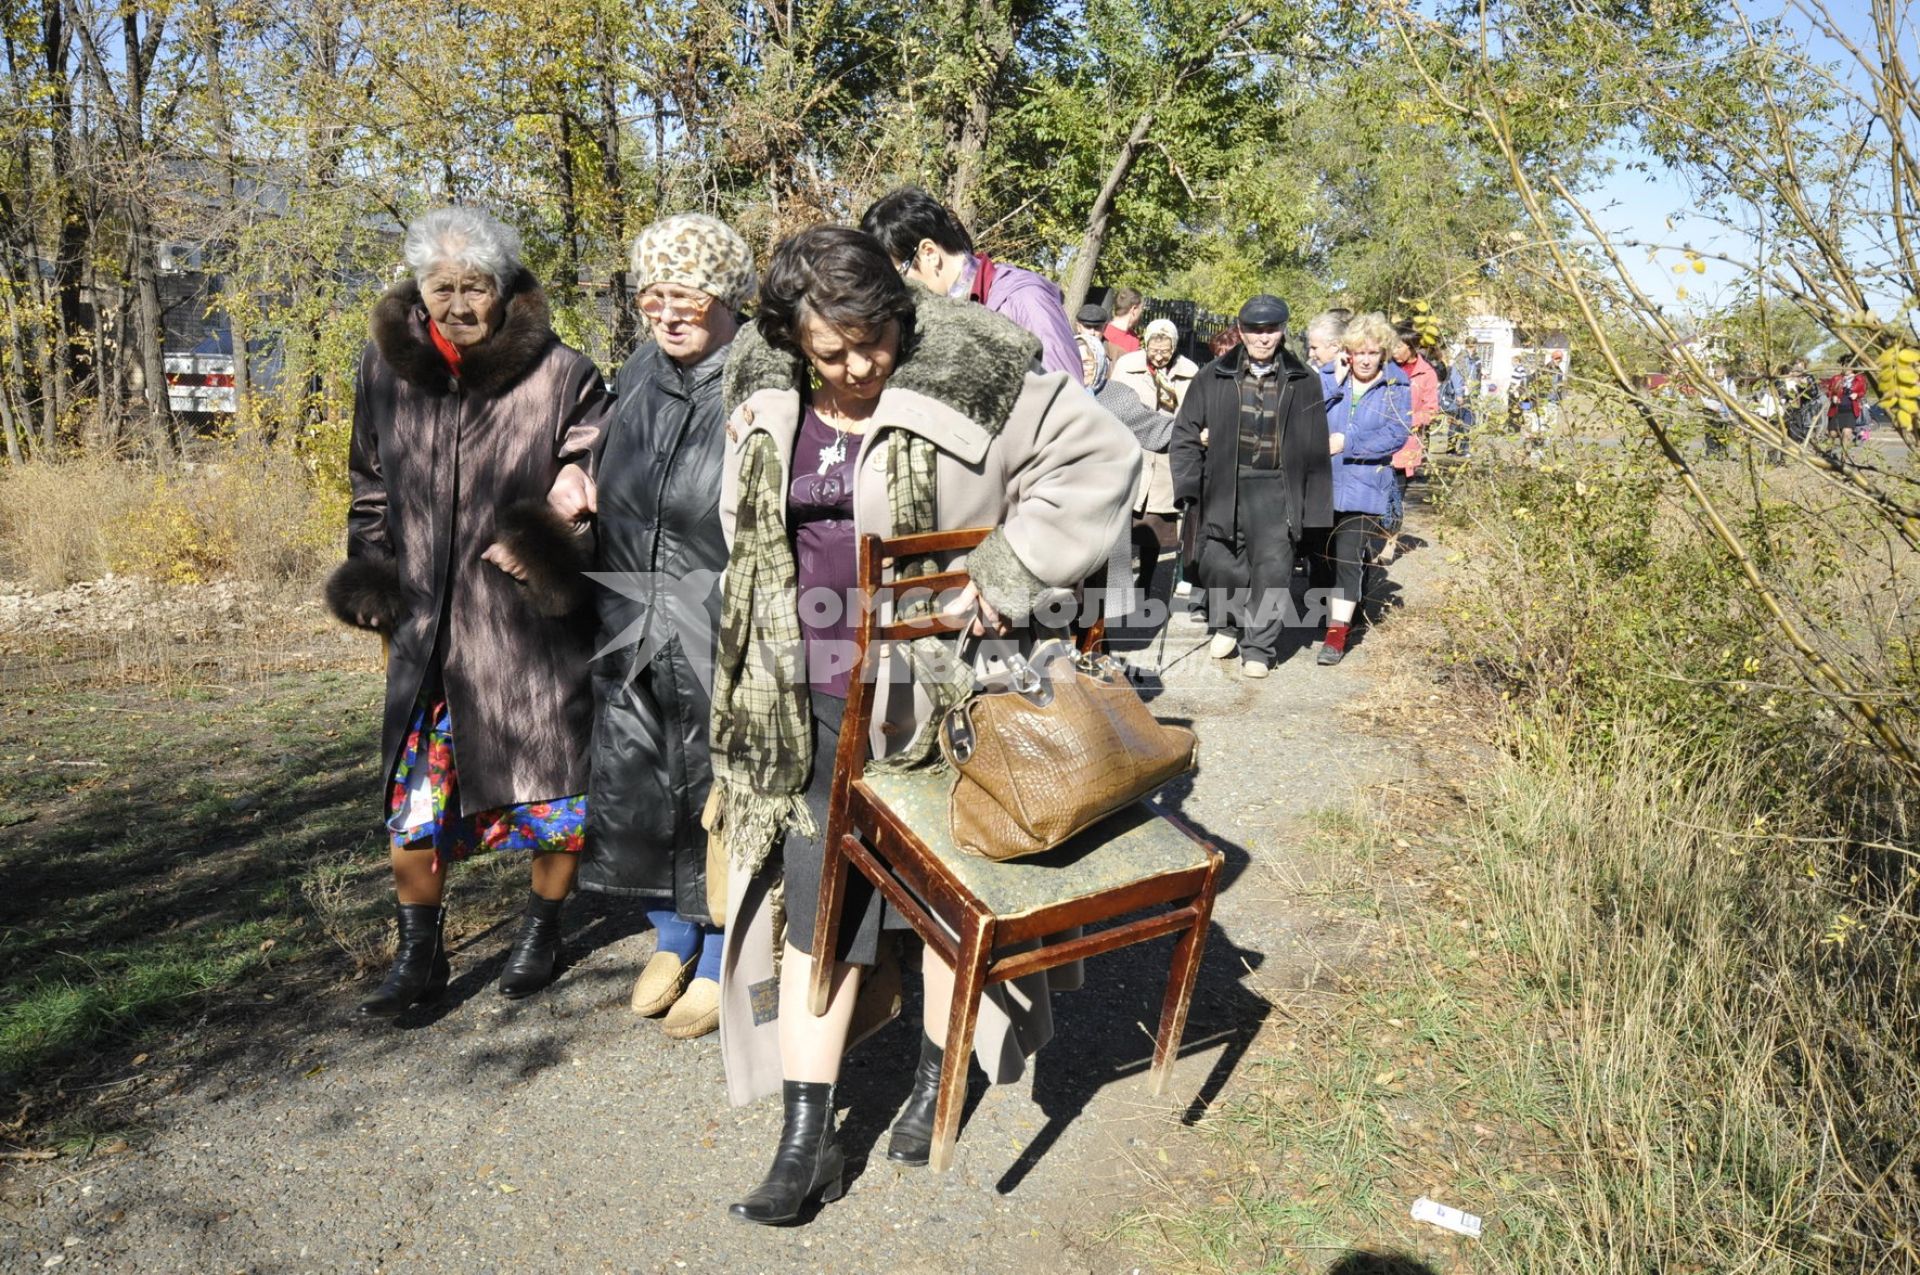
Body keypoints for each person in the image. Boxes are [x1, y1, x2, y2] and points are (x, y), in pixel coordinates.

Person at [713, 226, 1137, 1225]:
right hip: (809, 699)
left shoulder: (976, 369)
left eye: (876, 336)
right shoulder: (764, 395)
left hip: (952, 696)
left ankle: (934, 1085)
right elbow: (741, 527)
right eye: (835, 350)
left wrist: (1002, 573)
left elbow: (1100, 457)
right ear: (790, 340)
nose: (862, 364)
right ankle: (804, 1140)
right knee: (820, 916)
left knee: (946, 907)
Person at [324, 207, 609, 1017]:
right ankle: (420, 954)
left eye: (474, 286)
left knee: (551, 790)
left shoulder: (563, 374)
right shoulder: (384, 370)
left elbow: (594, 469)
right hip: (425, 627)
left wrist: (559, 525)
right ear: (418, 289)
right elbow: (369, 485)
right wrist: (375, 586)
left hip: (524, 625)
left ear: (504, 287)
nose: (456, 304)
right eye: (440, 287)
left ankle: (541, 929)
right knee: (413, 797)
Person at [572, 214, 756, 1040]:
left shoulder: (760, 376)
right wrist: (573, 482)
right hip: (630, 605)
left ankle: (724, 951)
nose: (666, 314)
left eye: (684, 297)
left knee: (720, 786)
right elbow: (614, 458)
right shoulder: (643, 366)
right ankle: (671, 934)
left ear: (723, 295)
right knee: (642, 773)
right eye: (652, 298)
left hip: (717, 617)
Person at [1170, 294, 1333, 679]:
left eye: (1271, 330)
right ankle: (1227, 622)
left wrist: (1315, 508)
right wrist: (1188, 485)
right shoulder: (1212, 375)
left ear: (1282, 331)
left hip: (1277, 487)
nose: (1263, 338)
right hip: (1225, 484)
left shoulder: (1304, 380)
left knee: (1273, 569)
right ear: (1240, 331)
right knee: (1220, 564)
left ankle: (1259, 645)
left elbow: (1315, 448)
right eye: (1255, 330)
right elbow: (1185, 433)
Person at [859, 187, 1081, 378]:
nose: (896, 292)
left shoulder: (1024, 300)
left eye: (898, 276)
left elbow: (1071, 408)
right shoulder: (930, 321)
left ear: (929, 253)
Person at [1319, 313, 1410, 666]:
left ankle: (1335, 637)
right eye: (1359, 352)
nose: (1366, 359)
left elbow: (1395, 434)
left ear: (1382, 354)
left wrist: (1348, 442)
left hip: (1365, 485)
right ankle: (1339, 616)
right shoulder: (1330, 377)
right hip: (1323, 483)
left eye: (1373, 352)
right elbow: (1305, 414)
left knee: (1346, 558)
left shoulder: (1396, 385)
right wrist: (1333, 379)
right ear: (1347, 353)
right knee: (1321, 558)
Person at [1112, 317, 1198, 594]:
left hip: (1163, 457)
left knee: (1154, 525)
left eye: (1166, 351)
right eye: (1154, 350)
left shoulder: (1189, 372)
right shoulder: (1127, 367)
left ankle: (1144, 583)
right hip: (1130, 452)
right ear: (1146, 344)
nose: (1159, 357)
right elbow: (1113, 403)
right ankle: (1118, 581)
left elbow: (1193, 413)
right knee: (1122, 524)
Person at [1382, 322, 1438, 564]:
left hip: (1405, 446)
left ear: (1412, 346)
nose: (1393, 350)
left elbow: (1431, 411)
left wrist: (1406, 419)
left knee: (1396, 496)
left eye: (1398, 346)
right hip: (1378, 440)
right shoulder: (1383, 368)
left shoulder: (1426, 374)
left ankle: (1389, 543)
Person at [1826, 365, 1868, 449]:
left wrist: (1857, 394)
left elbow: (1863, 391)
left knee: (1846, 432)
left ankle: (1844, 457)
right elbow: (1829, 391)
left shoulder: (1859, 378)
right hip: (1836, 409)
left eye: (1848, 366)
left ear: (1853, 368)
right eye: (1844, 366)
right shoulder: (1836, 378)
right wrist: (1833, 396)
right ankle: (1828, 454)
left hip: (1850, 410)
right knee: (1833, 434)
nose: (1845, 369)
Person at [1104, 286, 1144, 357]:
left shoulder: (1104, 329)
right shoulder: (1102, 332)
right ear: (1134, 309)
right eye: (1141, 309)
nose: (1141, 313)